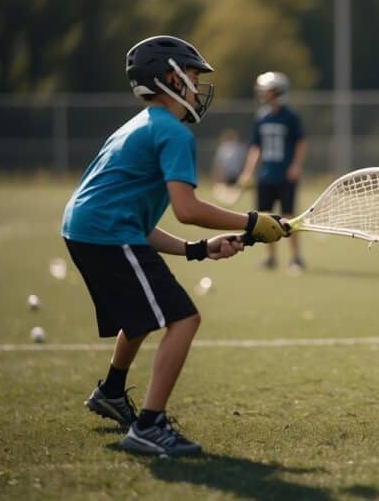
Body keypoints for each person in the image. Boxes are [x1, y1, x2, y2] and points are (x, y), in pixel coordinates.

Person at [62, 35, 287, 456]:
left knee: (143, 317)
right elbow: (187, 208)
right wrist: (254, 222)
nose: (199, 87)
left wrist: (198, 249)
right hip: (105, 234)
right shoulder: (173, 133)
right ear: (170, 78)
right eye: (194, 77)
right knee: (183, 319)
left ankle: (111, 392)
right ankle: (149, 426)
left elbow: (139, 224)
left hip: (89, 231)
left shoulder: (141, 124)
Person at [237, 71, 308, 272]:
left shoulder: (291, 117)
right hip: (266, 176)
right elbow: (256, 147)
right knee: (265, 219)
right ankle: (270, 258)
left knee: (289, 217)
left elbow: (301, 142)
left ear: (277, 92)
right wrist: (248, 171)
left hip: (285, 175)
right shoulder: (261, 117)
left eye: (267, 91)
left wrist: (295, 165)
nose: (263, 94)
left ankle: (295, 257)